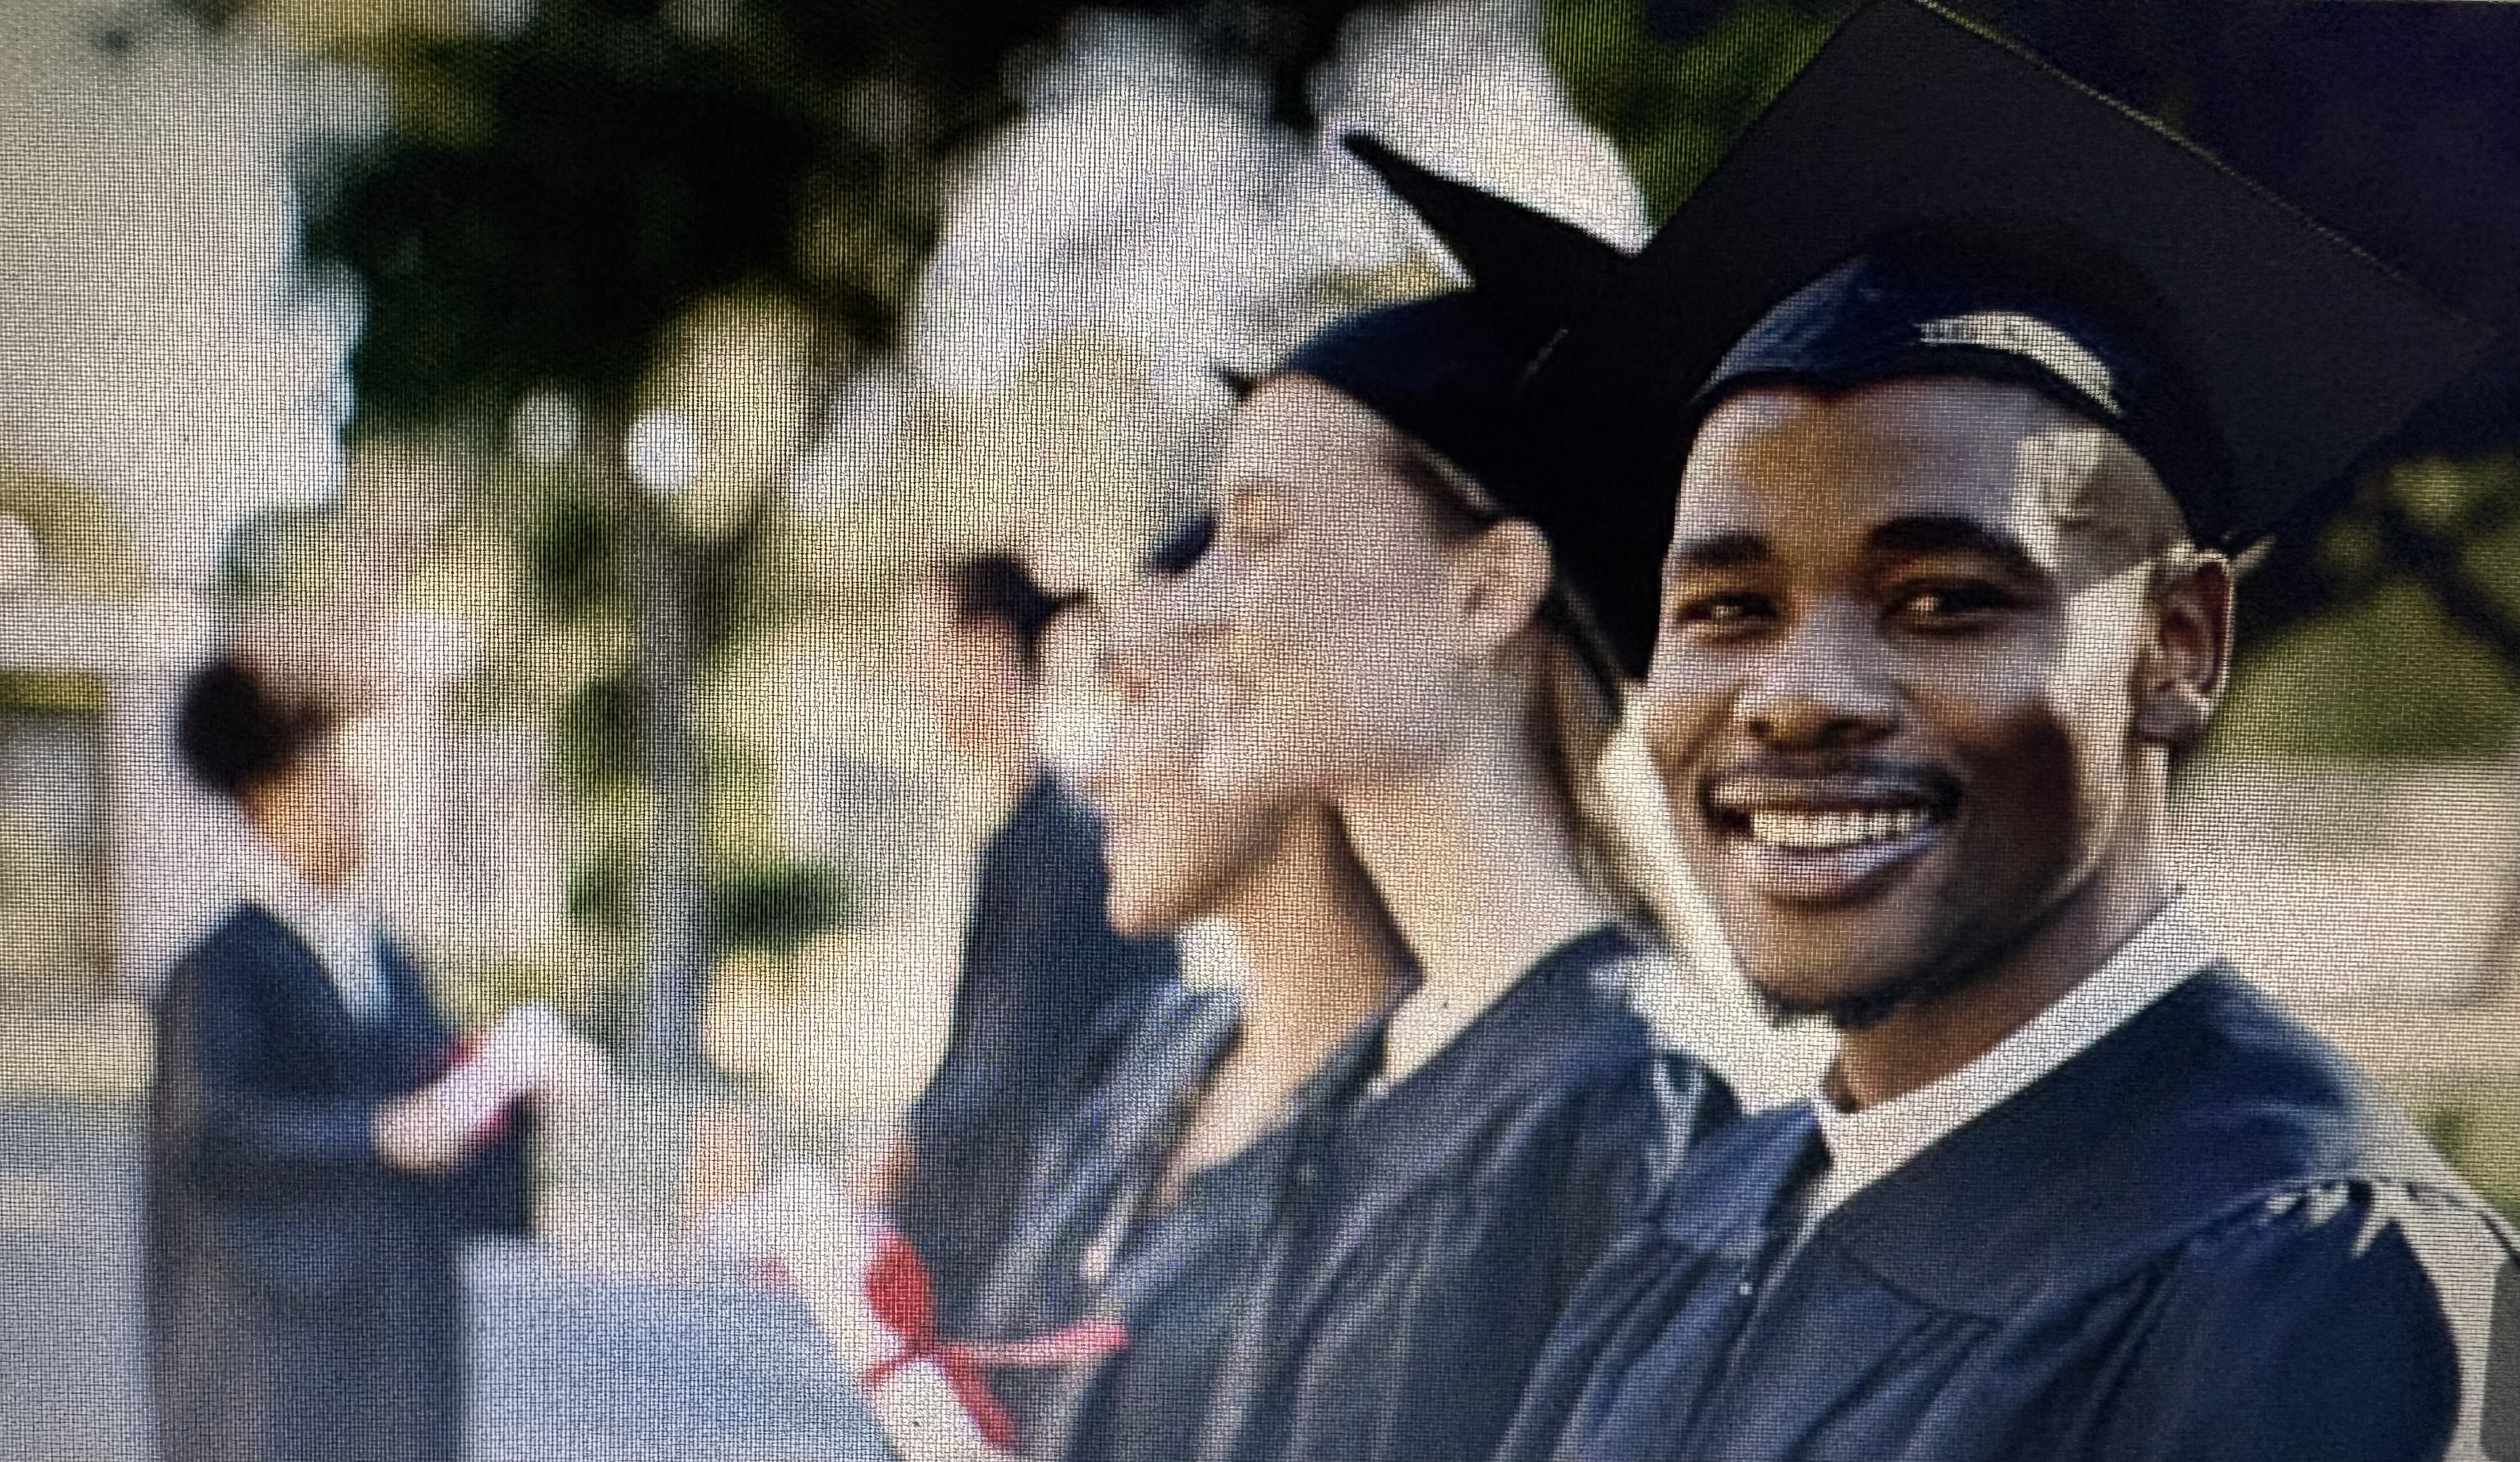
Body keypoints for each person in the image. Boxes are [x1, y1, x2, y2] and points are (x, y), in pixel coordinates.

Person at [1494, 4, 2519, 1459]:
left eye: (1944, 599)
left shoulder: (2303, 1270)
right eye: (1726, 608)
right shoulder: (1715, 1213)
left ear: (2179, 649)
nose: (1796, 693)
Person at [1180, 137, 1740, 1462]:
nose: (1197, 612)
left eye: (1263, 536)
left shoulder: (1631, 1103)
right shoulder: (1364, 1075)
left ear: (1486, 590)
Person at [960, 514, 1411, 1462]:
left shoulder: (1435, 1140)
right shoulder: (1140, 1056)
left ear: (1276, 700)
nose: (1103, 761)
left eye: (1137, 694)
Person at [146, 655, 534, 1462]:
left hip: (397, 1337)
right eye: (336, 781)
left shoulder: (383, 960)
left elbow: (441, 1109)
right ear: (268, 796)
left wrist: (513, 1087)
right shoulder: (222, 966)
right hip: (276, 1351)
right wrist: (374, 1134)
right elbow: (207, 1137)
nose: (357, 803)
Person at [889, 551, 1183, 1336]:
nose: (919, 684)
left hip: (1025, 1258)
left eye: (925, 652)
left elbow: (1011, 1067)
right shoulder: (1030, 834)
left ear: (987, 649)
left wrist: (903, 1148)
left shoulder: (1068, 845)